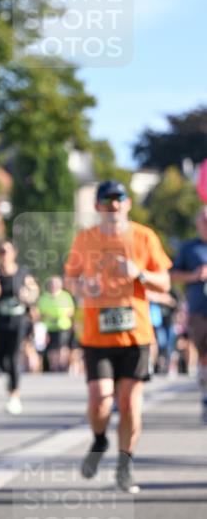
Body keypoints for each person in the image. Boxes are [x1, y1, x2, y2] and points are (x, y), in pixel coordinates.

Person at [64, 179, 172, 492]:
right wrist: (83, 287)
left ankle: (125, 465)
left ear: (127, 203)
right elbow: (69, 280)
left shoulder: (144, 236)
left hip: (135, 336)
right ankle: (99, 439)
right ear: (97, 206)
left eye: (118, 198)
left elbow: (165, 282)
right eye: (107, 199)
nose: (113, 204)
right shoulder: (85, 238)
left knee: (129, 405)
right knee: (99, 401)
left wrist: (139, 273)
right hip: (97, 336)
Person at [0, 238, 39, 414]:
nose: (4, 255)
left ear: (14, 253)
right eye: (1, 251)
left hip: (18, 322)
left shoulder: (22, 272)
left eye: (7, 251)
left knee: (13, 357)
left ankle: (14, 395)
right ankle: (4, 377)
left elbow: (34, 290)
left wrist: (29, 296)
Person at [170, 207, 207, 421]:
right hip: (199, 311)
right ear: (198, 224)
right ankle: (205, 395)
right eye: (204, 220)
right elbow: (172, 275)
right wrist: (194, 275)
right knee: (204, 357)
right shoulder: (189, 248)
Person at [37, 276, 75, 372]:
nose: (53, 286)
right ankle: (54, 366)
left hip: (63, 326)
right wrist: (49, 317)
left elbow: (71, 310)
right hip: (49, 327)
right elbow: (40, 312)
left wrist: (62, 317)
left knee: (63, 346)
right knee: (52, 348)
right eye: (52, 284)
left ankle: (63, 365)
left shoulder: (65, 296)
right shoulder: (44, 297)